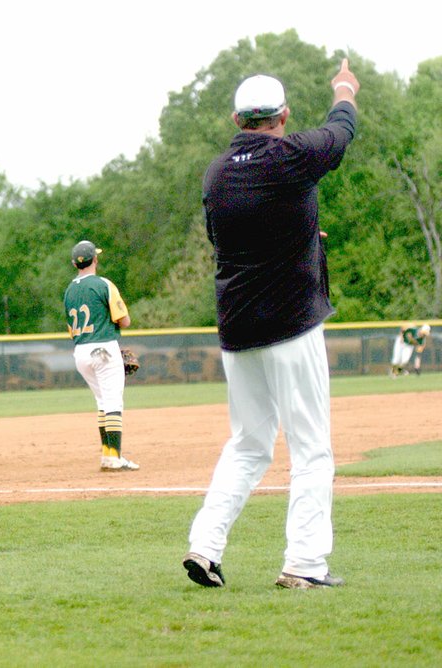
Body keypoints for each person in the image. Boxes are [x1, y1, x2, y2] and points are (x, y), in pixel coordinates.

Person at [182, 60, 359, 590]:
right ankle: (304, 564)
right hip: (291, 325)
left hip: (238, 328)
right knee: (311, 448)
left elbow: (228, 237)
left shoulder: (216, 172)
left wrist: (299, 237)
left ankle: (205, 547)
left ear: (238, 120)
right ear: (282, 116)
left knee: (247, 445)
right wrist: (344, 89)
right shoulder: (291, 155)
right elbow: (341, 130)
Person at [64, 240, 139, 472]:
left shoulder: (69, 290)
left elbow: (71, 328)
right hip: (105, 348)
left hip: (81, 352)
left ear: (75, 264)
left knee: (102, 402)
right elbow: (124, 320)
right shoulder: (104, 284)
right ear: (94, 260)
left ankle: (108, 455)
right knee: (113, 402)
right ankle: (114, 457)